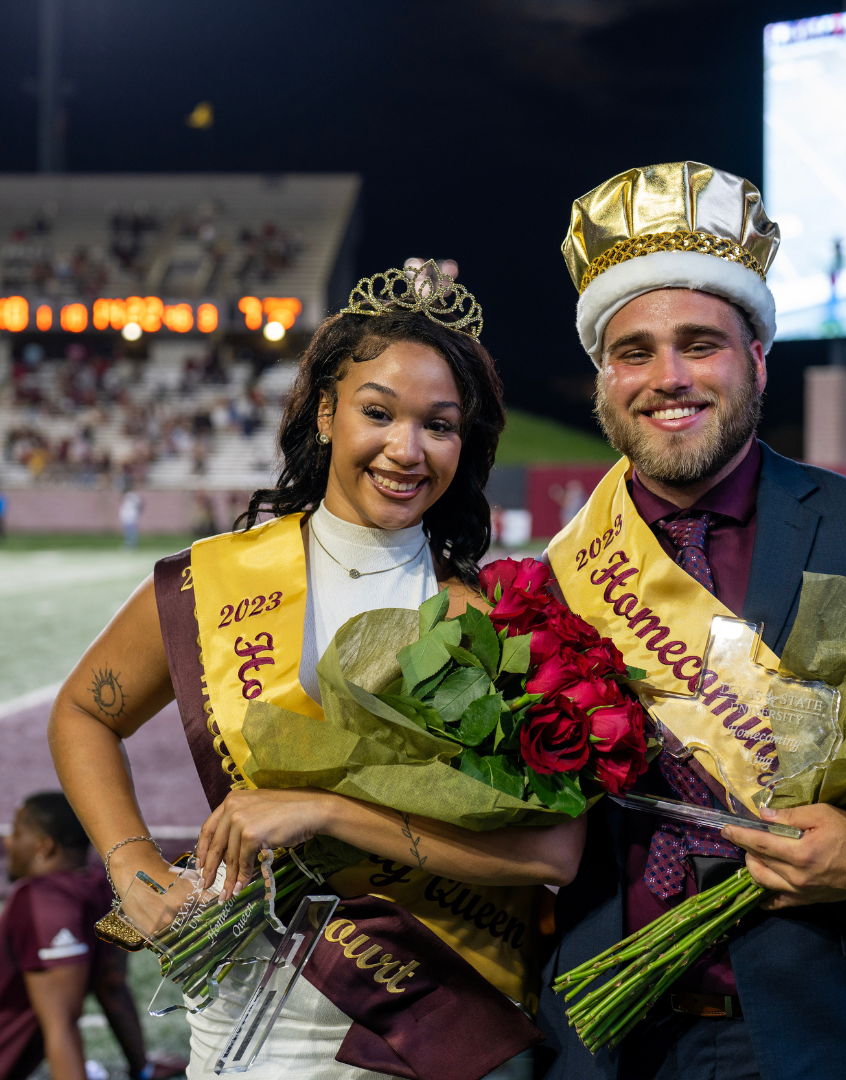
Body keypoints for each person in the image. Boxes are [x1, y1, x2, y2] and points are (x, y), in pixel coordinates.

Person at [48, 262, 586, 1079]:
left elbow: (550, 854)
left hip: (436, 1013)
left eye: (439, 425)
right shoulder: (215, 581)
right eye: (378, 413)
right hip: (245, 1009)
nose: (406, 450)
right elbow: (84, 713)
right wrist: (131, 864)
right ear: (327, 412)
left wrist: (322, 812)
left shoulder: (491, 618)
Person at [535, 162, 846, 1080]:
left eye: (700, 343)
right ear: (603, 379)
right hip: (607, 1041)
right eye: (634, 352)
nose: (668, 377)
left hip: (839, 1032)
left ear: (757, 358)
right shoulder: (549, 581)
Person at [0, 792, 185, 1080]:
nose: (8, 841)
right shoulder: (102, 885)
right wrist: (142, 1069)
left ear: (44, 847)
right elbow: (111, 984)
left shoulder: (41, 899)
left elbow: (62, 1023)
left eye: (17, 831)